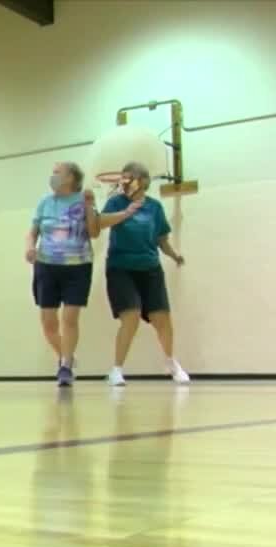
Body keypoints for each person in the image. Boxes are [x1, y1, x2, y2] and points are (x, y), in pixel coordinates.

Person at [101, 161, 190, 386]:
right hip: (121, 268)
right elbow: (101, 223)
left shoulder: (154, 207)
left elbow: (161, 239)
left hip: (150, 268)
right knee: (131, 316)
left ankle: (171, 362)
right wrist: (125, 212)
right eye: (122, 179)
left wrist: (173, 255)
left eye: (128, 178)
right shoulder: (115, 202)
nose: (124, 182)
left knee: (163, 319)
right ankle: (116, 370)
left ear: (141, 181)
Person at [26, 161, 97, 387]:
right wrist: (29, 247)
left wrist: (89, 206)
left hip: (78, 266)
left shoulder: (83, 199)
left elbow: (94, 232)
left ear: (71, 178)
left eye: (57, 172)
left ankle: (65, 366)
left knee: (70, 318)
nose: (53, 176)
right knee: (48, 323)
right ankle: (66, 355)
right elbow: (32, 232)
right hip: (47, 266)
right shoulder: (44, 203)